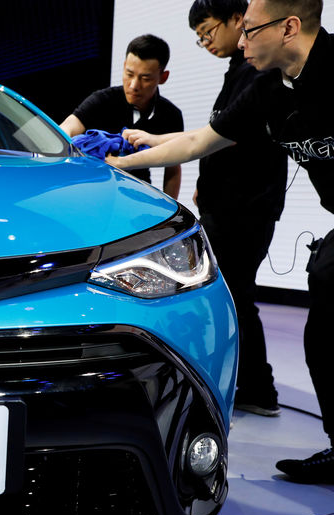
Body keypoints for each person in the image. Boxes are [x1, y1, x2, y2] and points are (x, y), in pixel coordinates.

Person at [108, 0, 334, 483]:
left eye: (249, 31)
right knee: (324, 339)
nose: (243, 41)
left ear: (289, 26)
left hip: (249, 210)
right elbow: (199, 142)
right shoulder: (269, 89)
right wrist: (119, 165)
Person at [125, 0, 288, 417]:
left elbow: (209, 140)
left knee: (233, 297)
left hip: (246, 206)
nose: (205, 42)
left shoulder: (258, 71)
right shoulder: (238, 70)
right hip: (228, 203)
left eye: (208, 31)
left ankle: (254, 388)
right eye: (199, 37)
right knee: (231, 295)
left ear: (239, 21)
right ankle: (250, 387)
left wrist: (127, 161)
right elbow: (213, 133)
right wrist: (156, 141)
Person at [60, 34, 183, 199]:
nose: (133, 85)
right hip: (92, 190)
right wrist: (60, 139)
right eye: (129, 74)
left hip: (139, 194)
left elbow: (173, 168)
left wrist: (170, 212)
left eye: (145, 78)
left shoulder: (170, 115)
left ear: (163, 77)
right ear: (124, 65)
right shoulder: (102, 100)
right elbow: (70, 125)